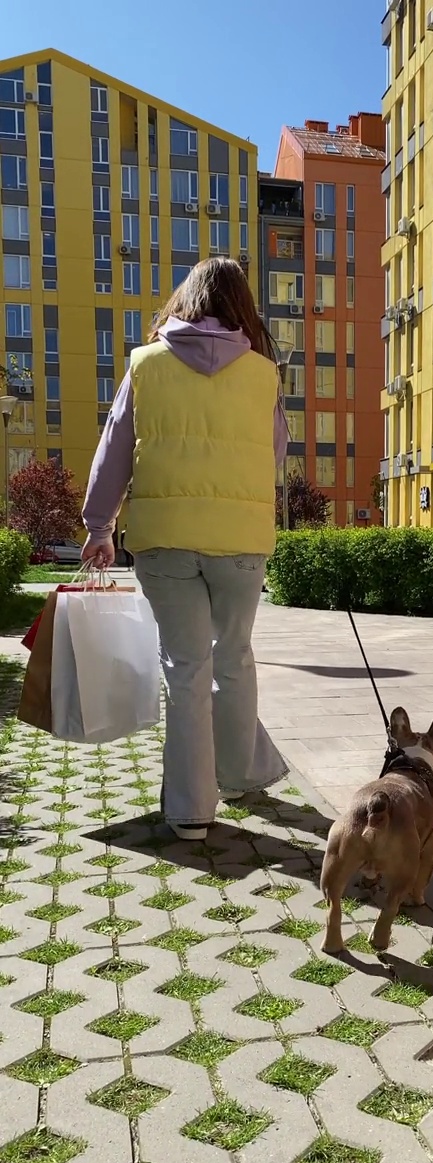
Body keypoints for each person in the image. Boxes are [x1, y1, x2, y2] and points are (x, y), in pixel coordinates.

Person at [81, 257, 289, 841]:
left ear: (186, 300)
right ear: (242, 305)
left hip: (165, 538)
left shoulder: (145, 366)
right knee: (236, 658)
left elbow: (114, 449)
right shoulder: (262, 373)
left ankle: (192, 812)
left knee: (188, 670)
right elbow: (270, 456)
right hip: (241, 541)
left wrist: (100, 527)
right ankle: (242, 774)